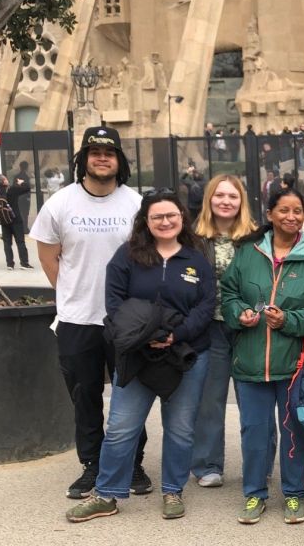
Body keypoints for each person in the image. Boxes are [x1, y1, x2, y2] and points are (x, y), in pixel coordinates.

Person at [65, 190, 215, 522]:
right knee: (121, 426)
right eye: (157, 216)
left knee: (180, 428)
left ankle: (173, 490)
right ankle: (106, 494)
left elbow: (206, 306)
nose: (165, 221)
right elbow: (114, 303)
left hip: (186, 355)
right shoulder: (127, 256)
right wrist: (146, 337)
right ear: (145, 221)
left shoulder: (196, 259)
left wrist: (176, 335)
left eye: (171, 215)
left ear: (182, 217)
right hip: (137, 354)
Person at [31, 126, 152, 500]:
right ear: (83, 158)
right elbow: (48, 258)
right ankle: (93, 465)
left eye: (109, 153)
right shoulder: (60, 204)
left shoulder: (136, 204)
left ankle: (131, 462)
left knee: (130, 394)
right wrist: (73, 294)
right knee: (84, 396)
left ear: (119, 161)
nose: (102, 158)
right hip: (76, 319)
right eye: (95, 152)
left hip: (125, 321)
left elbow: (147, 260)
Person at [221, 188, 304, 525]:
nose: (291, 216)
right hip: (250, 363)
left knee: (294, 434)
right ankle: (254, 494)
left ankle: (293, 494)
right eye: (283, 210)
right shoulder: (248, 252)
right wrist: (239, 312)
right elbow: (228, 293)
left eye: (297, 211)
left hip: (295, 364)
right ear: (270, 214)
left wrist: (289, 320)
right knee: (254, 433)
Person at [189, 175, 261, 488]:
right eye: (219, 195)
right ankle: (207, 465)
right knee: (210, 400)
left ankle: (258, 465)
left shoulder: (256, 238)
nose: (226, 201)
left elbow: (267, 280)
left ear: (241, 201)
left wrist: (255, 310)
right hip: (210, 328)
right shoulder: (194, 238)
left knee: (253, 402)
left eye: (233, 196)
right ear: (209, 199)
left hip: (248, 328)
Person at [0, 174, 33, 270]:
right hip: (15, 220)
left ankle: (10, 264)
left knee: (7, 243)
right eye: (5, 179)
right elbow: (27, 188)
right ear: (4, 181)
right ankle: (24, 263)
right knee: (20, 242)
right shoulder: (12, 190)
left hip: (4, 221)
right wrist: (21, 183)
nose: (7, 180)